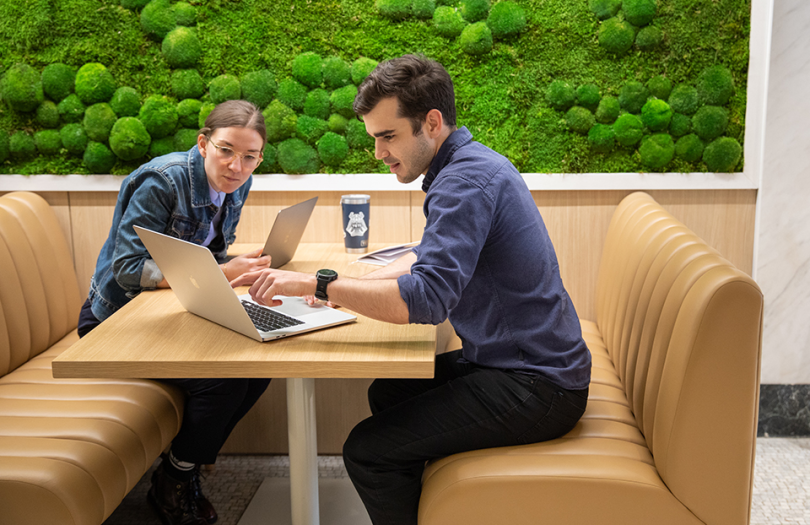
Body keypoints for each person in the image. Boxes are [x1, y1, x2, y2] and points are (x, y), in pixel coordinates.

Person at [230, 55, 592, 525]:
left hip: (538, 384)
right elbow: (428, 254)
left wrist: (319, 283)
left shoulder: (463, 182)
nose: (378, 153)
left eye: (387, 136)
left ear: (432, 123)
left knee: (366, 451)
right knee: (391, 390)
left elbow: (426, 300)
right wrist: (344, 285)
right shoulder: (470, 165)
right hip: (529, 361)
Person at [78, 100, 273, 525]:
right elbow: (128, 269)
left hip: (173, 313)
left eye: (249, 157)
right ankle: (175, 478)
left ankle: (181, 465)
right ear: (203, 144)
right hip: (115, 320)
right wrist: (223, 273)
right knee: (223, 381)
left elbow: (209, 252)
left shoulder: (237, 183)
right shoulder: (160, 181)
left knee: (261, 367)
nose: (236, 166)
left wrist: (242, 262)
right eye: (226, 150)